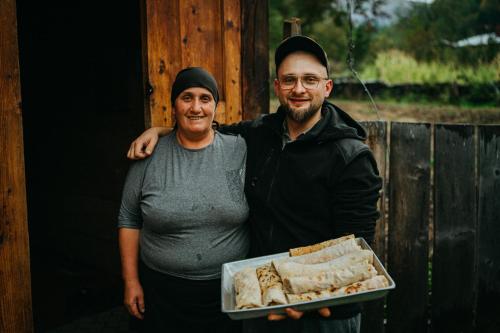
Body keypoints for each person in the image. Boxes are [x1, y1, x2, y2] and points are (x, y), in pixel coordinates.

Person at [127, 36, 382, 333]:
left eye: (309, 79)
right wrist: (159, 131)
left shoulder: (351, 157)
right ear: (277, 87)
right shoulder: (260, 134)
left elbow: (354, 248)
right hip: (264, 297)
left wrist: (307, 297)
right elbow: (206, 128)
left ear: (327, 87)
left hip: (323, 310)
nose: (298, 89)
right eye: (289, 80)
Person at [118, 67, 249, 333]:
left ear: (215, 106)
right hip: (161, 294)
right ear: (174, 105)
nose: (196, 107)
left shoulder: (240, 148)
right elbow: (129, 218)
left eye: (205, 98)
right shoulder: (148, 155)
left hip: (228, 291)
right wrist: (131, 281)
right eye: (186, 97)